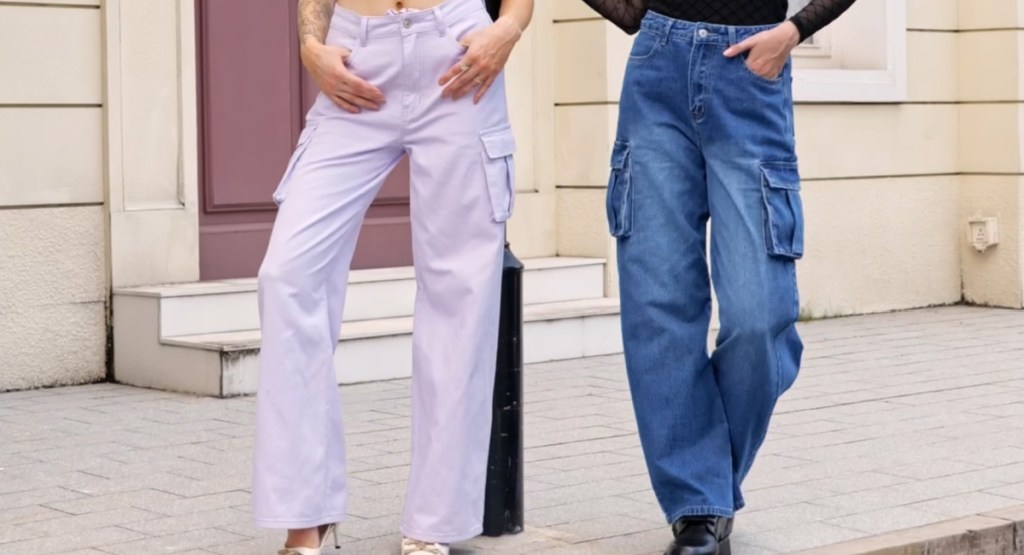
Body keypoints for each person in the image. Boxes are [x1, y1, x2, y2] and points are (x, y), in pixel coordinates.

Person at [250, 0, 533, 553]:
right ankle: (305, 515)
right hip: (357, 57)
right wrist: (311, 45)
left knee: (458, 294)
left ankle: (434, 524)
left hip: (456, 51)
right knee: (287, 274)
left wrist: (509, 28)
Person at [579, 0, 856, 554]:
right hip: (658, 65)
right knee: (660, 307)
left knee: (760, 314)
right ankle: (698, 509)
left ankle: (706, 487)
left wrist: (796, 31)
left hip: (753, 65)